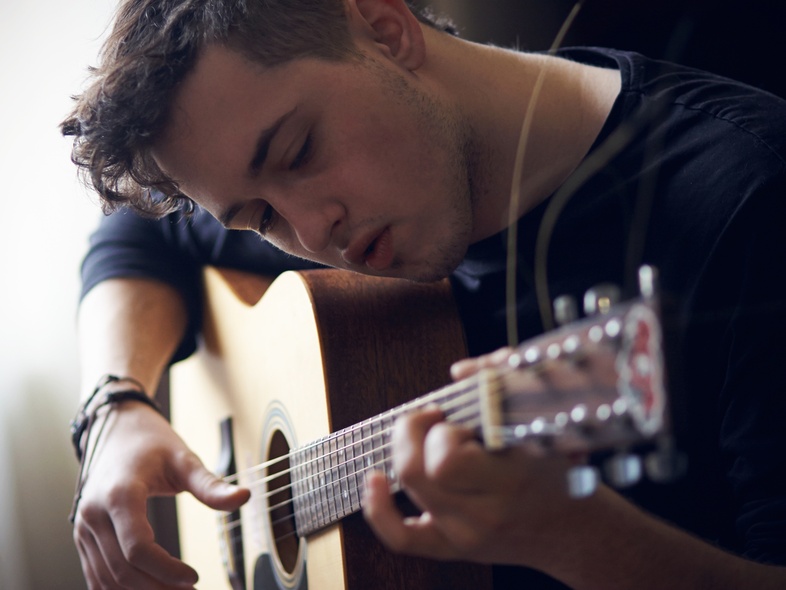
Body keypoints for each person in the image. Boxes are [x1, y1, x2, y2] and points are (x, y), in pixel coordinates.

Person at [62, 0, 786, 588]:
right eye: (259, 217)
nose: (314, 228)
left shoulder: (750, 203)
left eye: (298, 151)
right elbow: (133, 239)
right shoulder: (305, 189)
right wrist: (114, 408)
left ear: (384, 28)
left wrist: (577, 540)